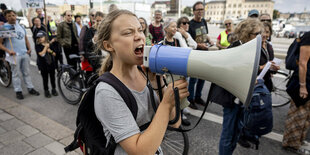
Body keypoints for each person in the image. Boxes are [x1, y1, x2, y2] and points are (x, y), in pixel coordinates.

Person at [94, 9, 188, 154]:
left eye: (140, 30)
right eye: (128, 32)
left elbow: (175, 122)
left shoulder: (145, 73)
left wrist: (157, 83)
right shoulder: (106, 92)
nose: (139, 36)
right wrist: (167, 103)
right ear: (108, 46)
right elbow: (139, 151)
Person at [208, 18, 264, 155]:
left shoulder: (251, 47)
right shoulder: (236, 46)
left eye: (260, 33)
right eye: (256, 34)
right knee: (228, 133)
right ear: (246, 33)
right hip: (231, 98)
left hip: (242, 96)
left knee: (237, 131)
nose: (259, 37)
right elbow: (228, 71)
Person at [0, 10, 40, 99]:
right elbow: (0, 44)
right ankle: (18, 91)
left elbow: (25, 39)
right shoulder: (5, 28)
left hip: (24, 53)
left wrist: (29, 48)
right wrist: (8, 50)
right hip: (14, 55)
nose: (12, 17)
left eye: (13, 15)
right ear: (6, 17)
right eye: (9, 16)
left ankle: (30, 88)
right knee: (16, 73)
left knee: (26, 72)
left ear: (16, 16)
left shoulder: (21, 26)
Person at [282, 31, 310, 154]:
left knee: (306, 115)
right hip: (304, 81)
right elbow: (303, 63)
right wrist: (303, 86)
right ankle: (291, 144)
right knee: (298, 114)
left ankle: (299, 140)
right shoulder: (309, 37)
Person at [187, 1, 214, 109]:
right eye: (198, 9)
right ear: (193, 11)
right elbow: (189, 41)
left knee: (203, 78)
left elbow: (205, 34)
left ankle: (198, 97)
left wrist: (210, 40)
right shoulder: (190, 24)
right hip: (195, 54)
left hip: (205, 53)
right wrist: (199, 45)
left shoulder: (203, 21)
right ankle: (191, 100)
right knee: (193, 79)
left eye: (202, 9)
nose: (200, 11)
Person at [35, 31, 58, 98]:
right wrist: (45, 48)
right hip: (43, 65)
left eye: (41, 37)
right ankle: (46, 90)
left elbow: (55, 54)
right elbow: (41, 54)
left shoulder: (49, 44)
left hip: (51, 63)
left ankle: (54, 89)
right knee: (45, 78)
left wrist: (50, 50)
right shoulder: (38, 46)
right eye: (38, 38)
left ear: (45, 37)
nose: (40, 39)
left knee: (52, 77)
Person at [81, 11, 104, 76]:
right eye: (97, 21)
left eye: (101, 21)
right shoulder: (91, 30)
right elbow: (86, 44)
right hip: (96, 58)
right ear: (95, 20)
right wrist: (93, 40)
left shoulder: (106, 30)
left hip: (105, 57)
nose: (99, 23)